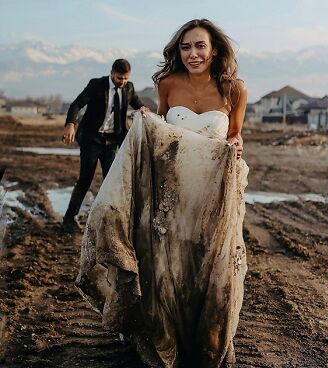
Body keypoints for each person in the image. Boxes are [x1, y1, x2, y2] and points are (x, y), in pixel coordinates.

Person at [75, 19, 248, 367]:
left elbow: (235, 136)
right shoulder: (167, 83)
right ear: (177, 51)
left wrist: (236, 145)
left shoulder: (235, 90)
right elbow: (163, 132)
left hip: (214, 195)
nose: (193, 54)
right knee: (168, 268)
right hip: (173, 194)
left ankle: (210, 340)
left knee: (212, 268)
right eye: (186, 47)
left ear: (214, 49)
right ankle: (168, 337)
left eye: (200, 46)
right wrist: (146, 119)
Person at [62, 59, 148, 232]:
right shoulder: (97, 85)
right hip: (92, 139)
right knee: (85, 179)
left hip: (112, 142)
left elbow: (140, 106)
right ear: (112, 72)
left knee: (112, 181)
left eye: (125, 78)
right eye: (119, 78)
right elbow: (76, 104)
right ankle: (69, 219)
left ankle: (108, 220)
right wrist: (70, 124)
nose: (122, 82)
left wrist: (143, 110)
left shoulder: (129, 88)